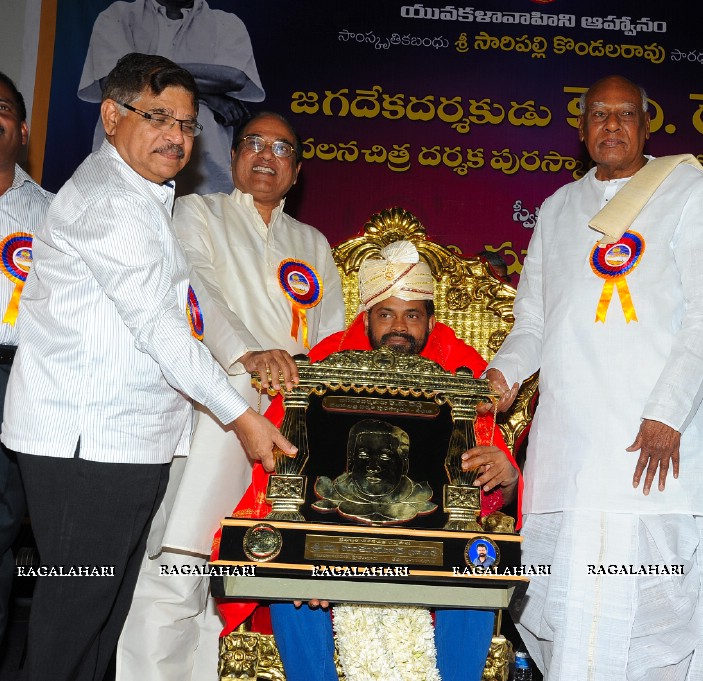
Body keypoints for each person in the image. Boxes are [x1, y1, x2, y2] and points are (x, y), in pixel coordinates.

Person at [0, 53, 292, 681]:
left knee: (100, 619)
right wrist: (242, 417)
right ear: (112, 115)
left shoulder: (145, 194)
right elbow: (162, 328)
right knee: (72, 617)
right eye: (156, 117)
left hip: (123, 442)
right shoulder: (111, 200)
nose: (175, 137)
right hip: (86, 447)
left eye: (187, 125)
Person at [486, 75, 703, 680]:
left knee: (662, 626)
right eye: (598, 114)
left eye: (625, 114)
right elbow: (532, 324)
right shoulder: (557, 208)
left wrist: (667, 413)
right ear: (580, 129)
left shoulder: (687, 187)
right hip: (572, 453)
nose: (611, 125)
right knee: (572, 625)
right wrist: (500, 376)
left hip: (653, 444)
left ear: (646, 125)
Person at [219, 239, 520, 681]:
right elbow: (277, 467)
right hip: (331, 545)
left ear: (430, 321)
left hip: (430, 550)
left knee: (473, 581)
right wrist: (303, 563)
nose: (399, 327)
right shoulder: (321, 364)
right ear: (367, 318)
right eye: (387, 313)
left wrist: (508, 476)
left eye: (412, 314)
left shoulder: (462, 370)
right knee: (290, 586)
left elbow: (491, 494)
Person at [116, 110, 344, 681]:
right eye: (255, 143)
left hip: (291, 435)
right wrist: (249, 353)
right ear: (235, 154)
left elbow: (335, 339)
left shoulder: (312, 242)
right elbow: (196, 287)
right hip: (216, 413)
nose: (267, 156)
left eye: (283, 149)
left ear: (297, 171)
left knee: (239, 584)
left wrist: (310, 386)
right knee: (177, 572)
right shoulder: (198, 211)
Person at [79, 0, 264, 195]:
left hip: (205, 185)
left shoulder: (226, 24)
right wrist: (210, 96)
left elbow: (234, 77)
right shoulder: (117, 16)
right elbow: (113, 81)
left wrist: (143, 68)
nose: (176, 132)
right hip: (121, 181)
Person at [0, 72, 52, 643]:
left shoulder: (55, 214)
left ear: (23, 128)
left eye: (2, 108)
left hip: (17, 377)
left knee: (1, 527)